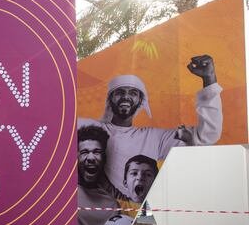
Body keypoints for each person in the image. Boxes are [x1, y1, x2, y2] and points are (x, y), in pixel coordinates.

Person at [78, 55, 222, 197]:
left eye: (133, 93)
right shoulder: (89, 129)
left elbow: (206, 136)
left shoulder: (153, 137)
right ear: (110, 99)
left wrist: (209, 80)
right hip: (96, 213)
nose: (126, 97)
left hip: (139, 216)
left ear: (140, 101)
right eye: (120, 92)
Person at [77, 125, 128, 225]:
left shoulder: (112, 205)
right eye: (84, 152)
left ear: (104, 158)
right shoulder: (61, 193)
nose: (91, 158)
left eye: (97, 152)